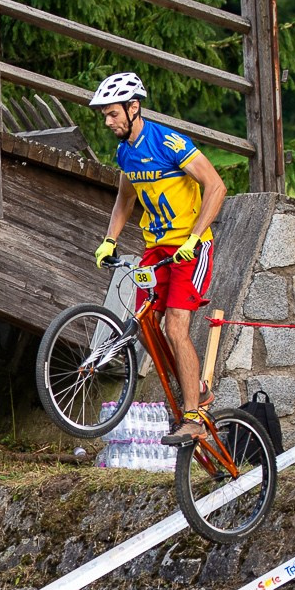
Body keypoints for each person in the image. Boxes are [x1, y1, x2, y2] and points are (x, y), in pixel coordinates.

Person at [88, 71, 227, 447]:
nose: (108, 121)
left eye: (113, 113)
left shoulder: (168, 141)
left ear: (134, 108)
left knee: (176, 327)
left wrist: (195, 237)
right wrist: (109, 240)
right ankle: (193, 387)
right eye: (104, 115)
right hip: (156, 249)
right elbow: (126, 199)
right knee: (146, 325)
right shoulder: (124, 152)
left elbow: (216, 186)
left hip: (189, 249)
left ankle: (194, 415)